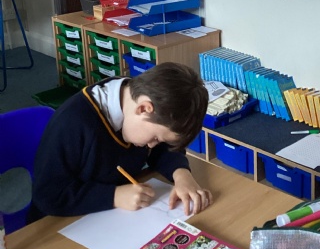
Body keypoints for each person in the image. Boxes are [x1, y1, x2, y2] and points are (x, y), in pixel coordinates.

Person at [27, 62, 212, 223]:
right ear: (143, 108)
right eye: (155, 138)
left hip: (114, 217)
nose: (152, 145)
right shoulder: (73, 123)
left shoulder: (137, 97)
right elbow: (48, 196)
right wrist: (113, 196)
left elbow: (163, 147)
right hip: (59, 225)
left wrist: (181, 174)